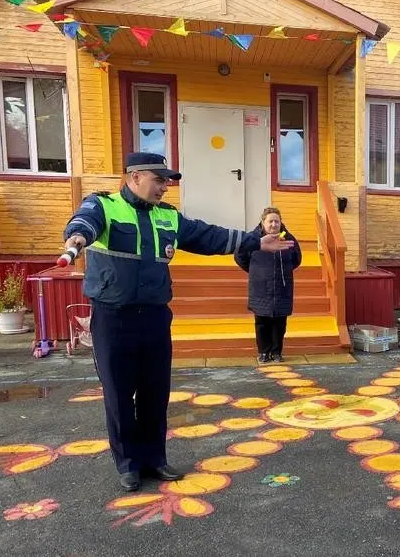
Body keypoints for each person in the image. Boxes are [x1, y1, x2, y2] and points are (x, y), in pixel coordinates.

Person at [63, 152, 293, 492]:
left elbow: (208, 236)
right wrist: (77, 238)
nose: (164, 187)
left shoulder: (168, 217)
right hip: (114, 317)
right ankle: (128, 464)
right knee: (118, 393)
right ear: (135, 177)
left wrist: (254, 241)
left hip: (155, 316)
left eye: (167, 181)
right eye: (159, 180)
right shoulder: (103, 205)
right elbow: (83, 224)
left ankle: (155, 459)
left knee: (155, 393)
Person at [235, 207, 302, 363]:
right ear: (263, 222)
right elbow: (240, 256)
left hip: (282, 287)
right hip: (260, 287)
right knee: (262, 323)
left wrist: (283, 271)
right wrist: (255, 271)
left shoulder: (289, 239)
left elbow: (297, 259)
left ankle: (276, 352)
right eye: (270, 221)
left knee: (280, 323)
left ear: (281, 222)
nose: (273, 224)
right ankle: (264, 352)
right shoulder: (253, 239)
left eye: (276, 221)